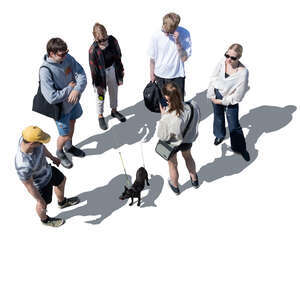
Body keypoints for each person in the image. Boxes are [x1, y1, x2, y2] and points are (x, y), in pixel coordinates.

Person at [15, 126, 80, 227]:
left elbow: (42, 148)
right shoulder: (23, 164)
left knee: (62, 181)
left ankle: (62, 203)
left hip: (48, 170)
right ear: (32, 143)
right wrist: (39, 200)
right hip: (41, 184)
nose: (42, 143)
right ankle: (45, 220)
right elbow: (29, 186)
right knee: (43, 204)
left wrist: (52, 158)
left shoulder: (26, 138)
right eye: (41, 142)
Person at [40, 37, 87, 169]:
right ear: (51, 54)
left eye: (66, 52)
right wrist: (70, 89)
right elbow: (51, 97)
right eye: (62, 54)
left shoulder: (67, 58)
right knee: (64, 134)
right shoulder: (45, 71)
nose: (65, 56)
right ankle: (60, 152)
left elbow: (81, 74)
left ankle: (69, 147)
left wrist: (77, 89)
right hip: (61, 109)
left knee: (73, 121)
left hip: (73, 102)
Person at [207, 43, 250, 161]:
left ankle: (240, 148)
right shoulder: (223, 61)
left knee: (234, 125)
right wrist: (211, 95)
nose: (229, 59)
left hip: (229, 99)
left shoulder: (243, 72)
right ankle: (219, 135)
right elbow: (213, 78)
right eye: (227, 55)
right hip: (216, 94)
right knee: (218, 117)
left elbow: (238, 97)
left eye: (233, 58)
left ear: (239, 57)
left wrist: (222, 102)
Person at [157, 82, 200, 195]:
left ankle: (175, 186)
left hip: (173, 144)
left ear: (167, 98)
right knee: (188, 157)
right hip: (188, 139)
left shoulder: (168, 117)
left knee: (173, 164)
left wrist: (163, 116)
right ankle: (194, 179)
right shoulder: (193, 105)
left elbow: (162, 136)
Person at [89, 23, 126, 130]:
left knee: (114, 91)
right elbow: (93, 69)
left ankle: (114, 111)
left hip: (113, 70)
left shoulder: (113, 41)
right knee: (100, 96)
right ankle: (100, 115)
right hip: (100, 75)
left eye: (105, 39)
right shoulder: (93, 50)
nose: (104, 42)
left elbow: (119, 56)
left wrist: (121, 70)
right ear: (95, 39)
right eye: (100, 40)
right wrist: (98, 85)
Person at [149, 12, 192, 102]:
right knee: (164, 104)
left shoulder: (185, 33)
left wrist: (177, 42)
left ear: (176, 28)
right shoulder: (156, 35)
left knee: (179, 105)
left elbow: (184, 59)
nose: (165, 34)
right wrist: (151, 74)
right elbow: (152, 58)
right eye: (164, 30)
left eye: (169, 32)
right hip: (160, 76)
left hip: (177, 76)